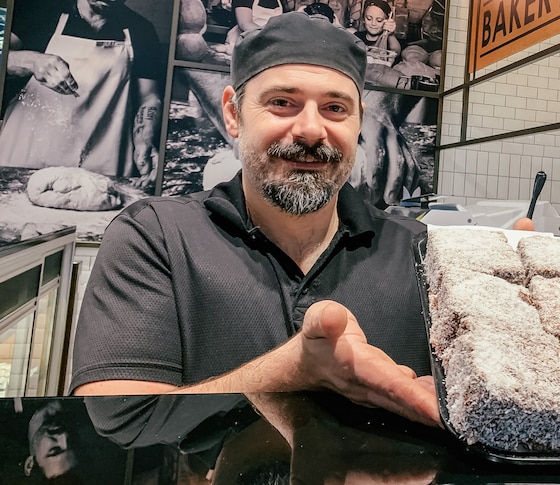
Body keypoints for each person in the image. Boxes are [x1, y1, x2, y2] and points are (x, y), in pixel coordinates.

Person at [70, 11, 440, 429]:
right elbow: (119, 415)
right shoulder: (156, 237)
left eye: (336, 107)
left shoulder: (423, 253)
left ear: (358, 121)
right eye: (282, 102)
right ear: (233, 113)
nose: (310, 130)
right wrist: (294, 370)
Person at [0, 0, 163, 188]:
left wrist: (145, 137)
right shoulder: (38, 10)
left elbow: (149, 97)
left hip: (102, 167)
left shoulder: (141, 30)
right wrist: (31, 61)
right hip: (24, 159)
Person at [354, 0, 401, 65]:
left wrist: (391, 34)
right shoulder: (356, 37)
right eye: (369, 19)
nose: (373, 24)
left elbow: (396, 52)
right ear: (363, 19)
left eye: (379, 20)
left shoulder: (389, 40)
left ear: (387, 20)